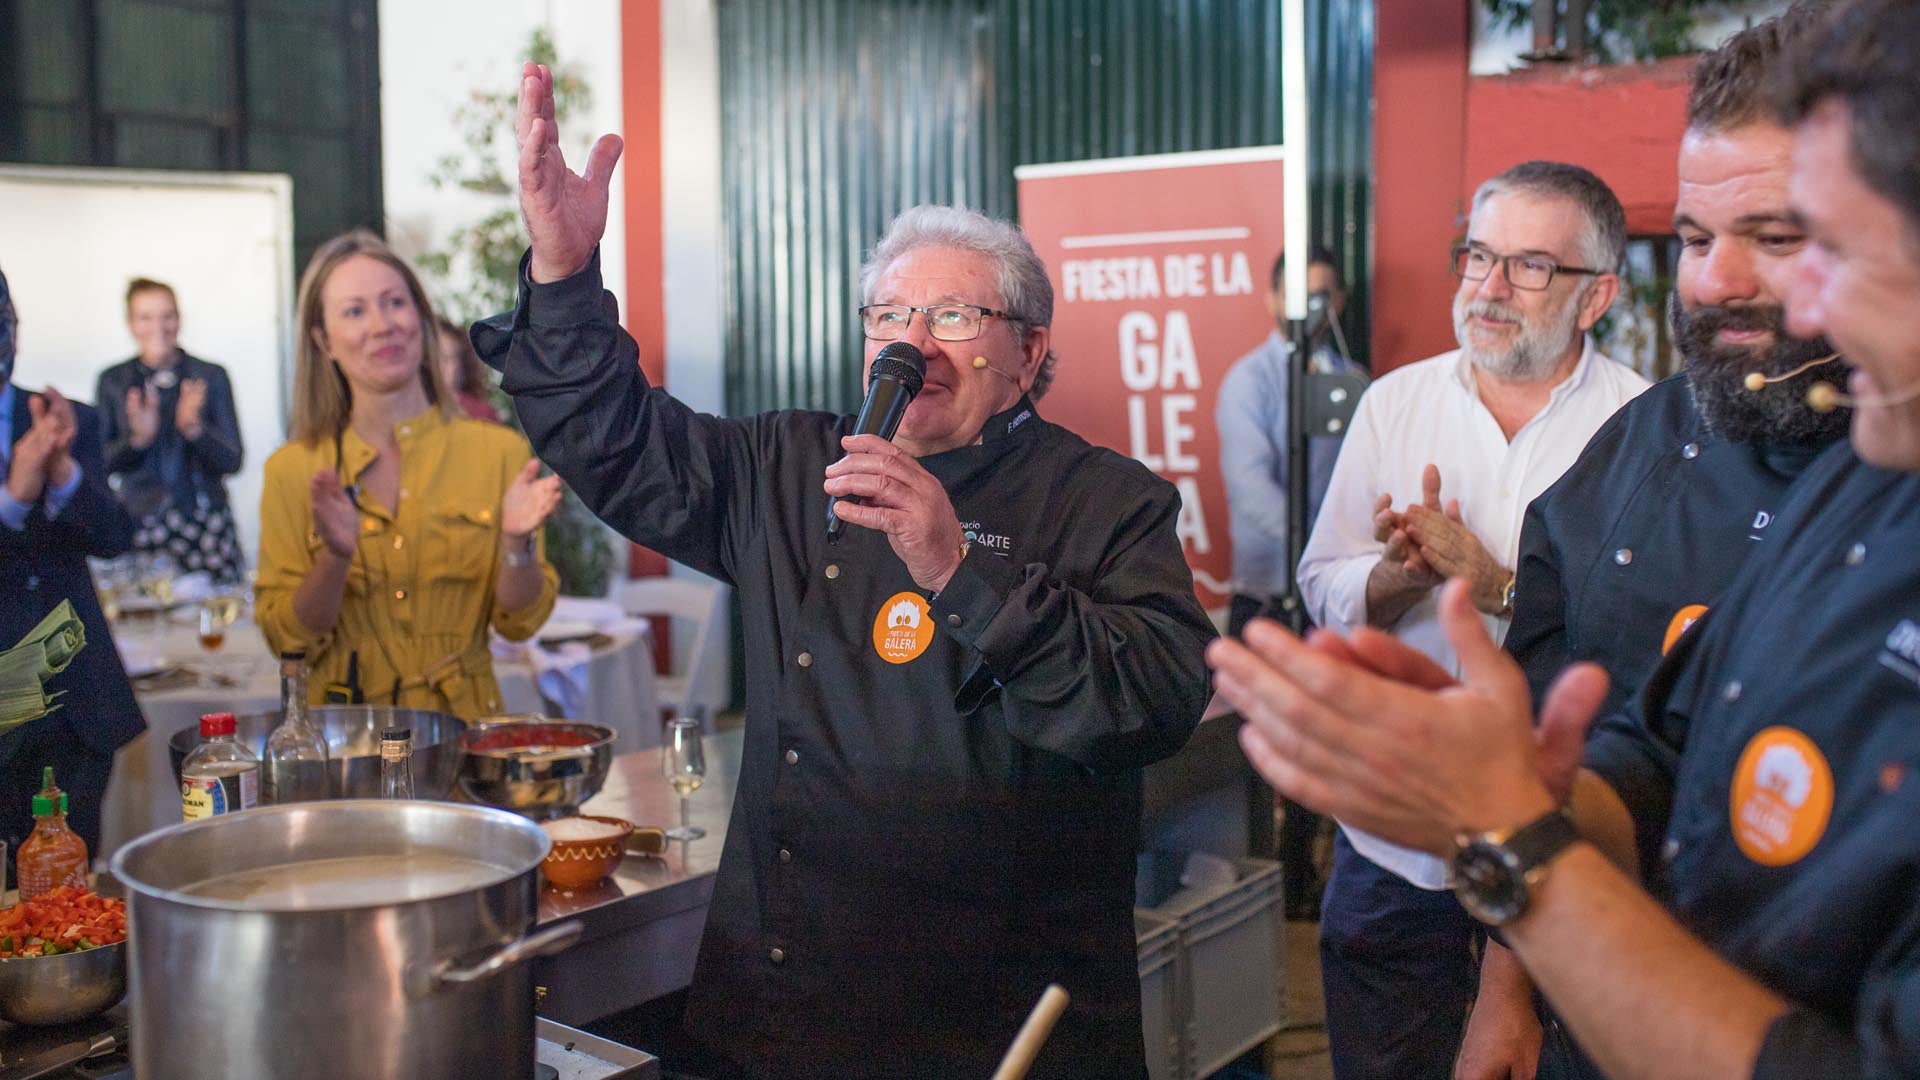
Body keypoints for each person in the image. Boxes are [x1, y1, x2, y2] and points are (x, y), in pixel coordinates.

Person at [1211, 2, 1920, 1075]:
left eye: (1798, 239)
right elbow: (1661, 744)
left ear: (1592, 298)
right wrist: (1500, 797)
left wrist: (1510, 844)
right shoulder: (1809, 442)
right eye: (1690, 239)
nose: (1725, 283)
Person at [479, 64, 1214, 1080]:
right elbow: (612, 442)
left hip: (996, 1023)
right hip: (790, 1003)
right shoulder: (790, 466)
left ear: (1030, 351)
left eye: (955, 319)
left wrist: (955, 569)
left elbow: (1153, 702)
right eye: (890, 316)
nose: (914, 344)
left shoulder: (1105, 500)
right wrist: (564, 276)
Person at [1462, 12, 1851, 1079]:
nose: (1715, 281)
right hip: (1588, 1004)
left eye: (1773, 239)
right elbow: (1595, 742)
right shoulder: (1643, 440)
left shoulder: (1878, 473)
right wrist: (1507, 981)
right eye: (1689, 239)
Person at [1294, 161, 1649, 1080]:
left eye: (1529, 267)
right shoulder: (1394, 403)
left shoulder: (1643, 429)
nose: (1488, 289)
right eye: (1477, 257)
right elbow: (1322, 583)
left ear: (1597, 294)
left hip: (1565, 848)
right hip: (1392, 839)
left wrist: (1501, 588)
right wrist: (1393, 579)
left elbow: (1658, 653)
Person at [254, 231, 561, 716]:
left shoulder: (498, 451)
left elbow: (519, 623)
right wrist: (335, 558)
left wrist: (516, 547)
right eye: (354, 311)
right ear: (323, 341)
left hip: (467, 733)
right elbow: (288, 639)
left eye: (395, 303)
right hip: (343, 742)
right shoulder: (292, 471)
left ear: (421, 318)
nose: (381, 325)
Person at [1216, 242, 1365, 921]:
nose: (1313, 309)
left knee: (1322, 740)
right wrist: (1319, 551)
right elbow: (1251, 492)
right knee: (1260, 744)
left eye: (1325, 296)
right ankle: (1257, 884)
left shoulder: (1353, 382)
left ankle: (1301, 877)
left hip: (1332, 598)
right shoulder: (1250, 382)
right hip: (1271, 591)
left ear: (1339, 302)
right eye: (1300, 296)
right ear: (1273, 300)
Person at [0, 265, 141, 860]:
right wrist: (14, 498)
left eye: (4, 322)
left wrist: (64, 477)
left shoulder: (69, 417)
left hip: (77, 700)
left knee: (75, 885)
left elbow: (112, 537)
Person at [94, 278, 246, 582]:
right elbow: (100, 465)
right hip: (143, 523)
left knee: (215, 621)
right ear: (131, 323)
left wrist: (195, 430)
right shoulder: (113, 381)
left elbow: (233, 460)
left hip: (205, 521)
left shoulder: (210, 376)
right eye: (146, 317)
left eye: (168, 315)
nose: (159, 327)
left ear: (179, 318)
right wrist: (137, 440)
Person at [435, 314, 502, 422]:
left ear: (462, 367)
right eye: (433, 358)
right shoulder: (405, 411)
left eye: (447, 358)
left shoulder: (482, 414)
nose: (438, 366)